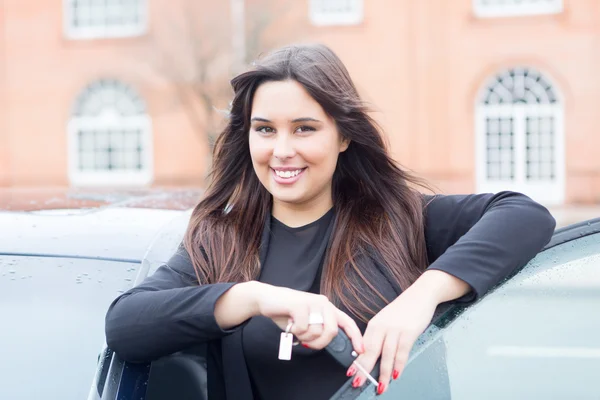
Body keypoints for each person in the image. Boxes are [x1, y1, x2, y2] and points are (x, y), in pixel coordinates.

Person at [104, 43, 556, 399]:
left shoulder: (399, 220)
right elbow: (126, 326)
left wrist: (420, 297)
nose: (281, 150)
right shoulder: (221, 239)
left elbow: (524, 215)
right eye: (265, 129)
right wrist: (254, 298)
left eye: (304, 128)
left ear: (343, 135)